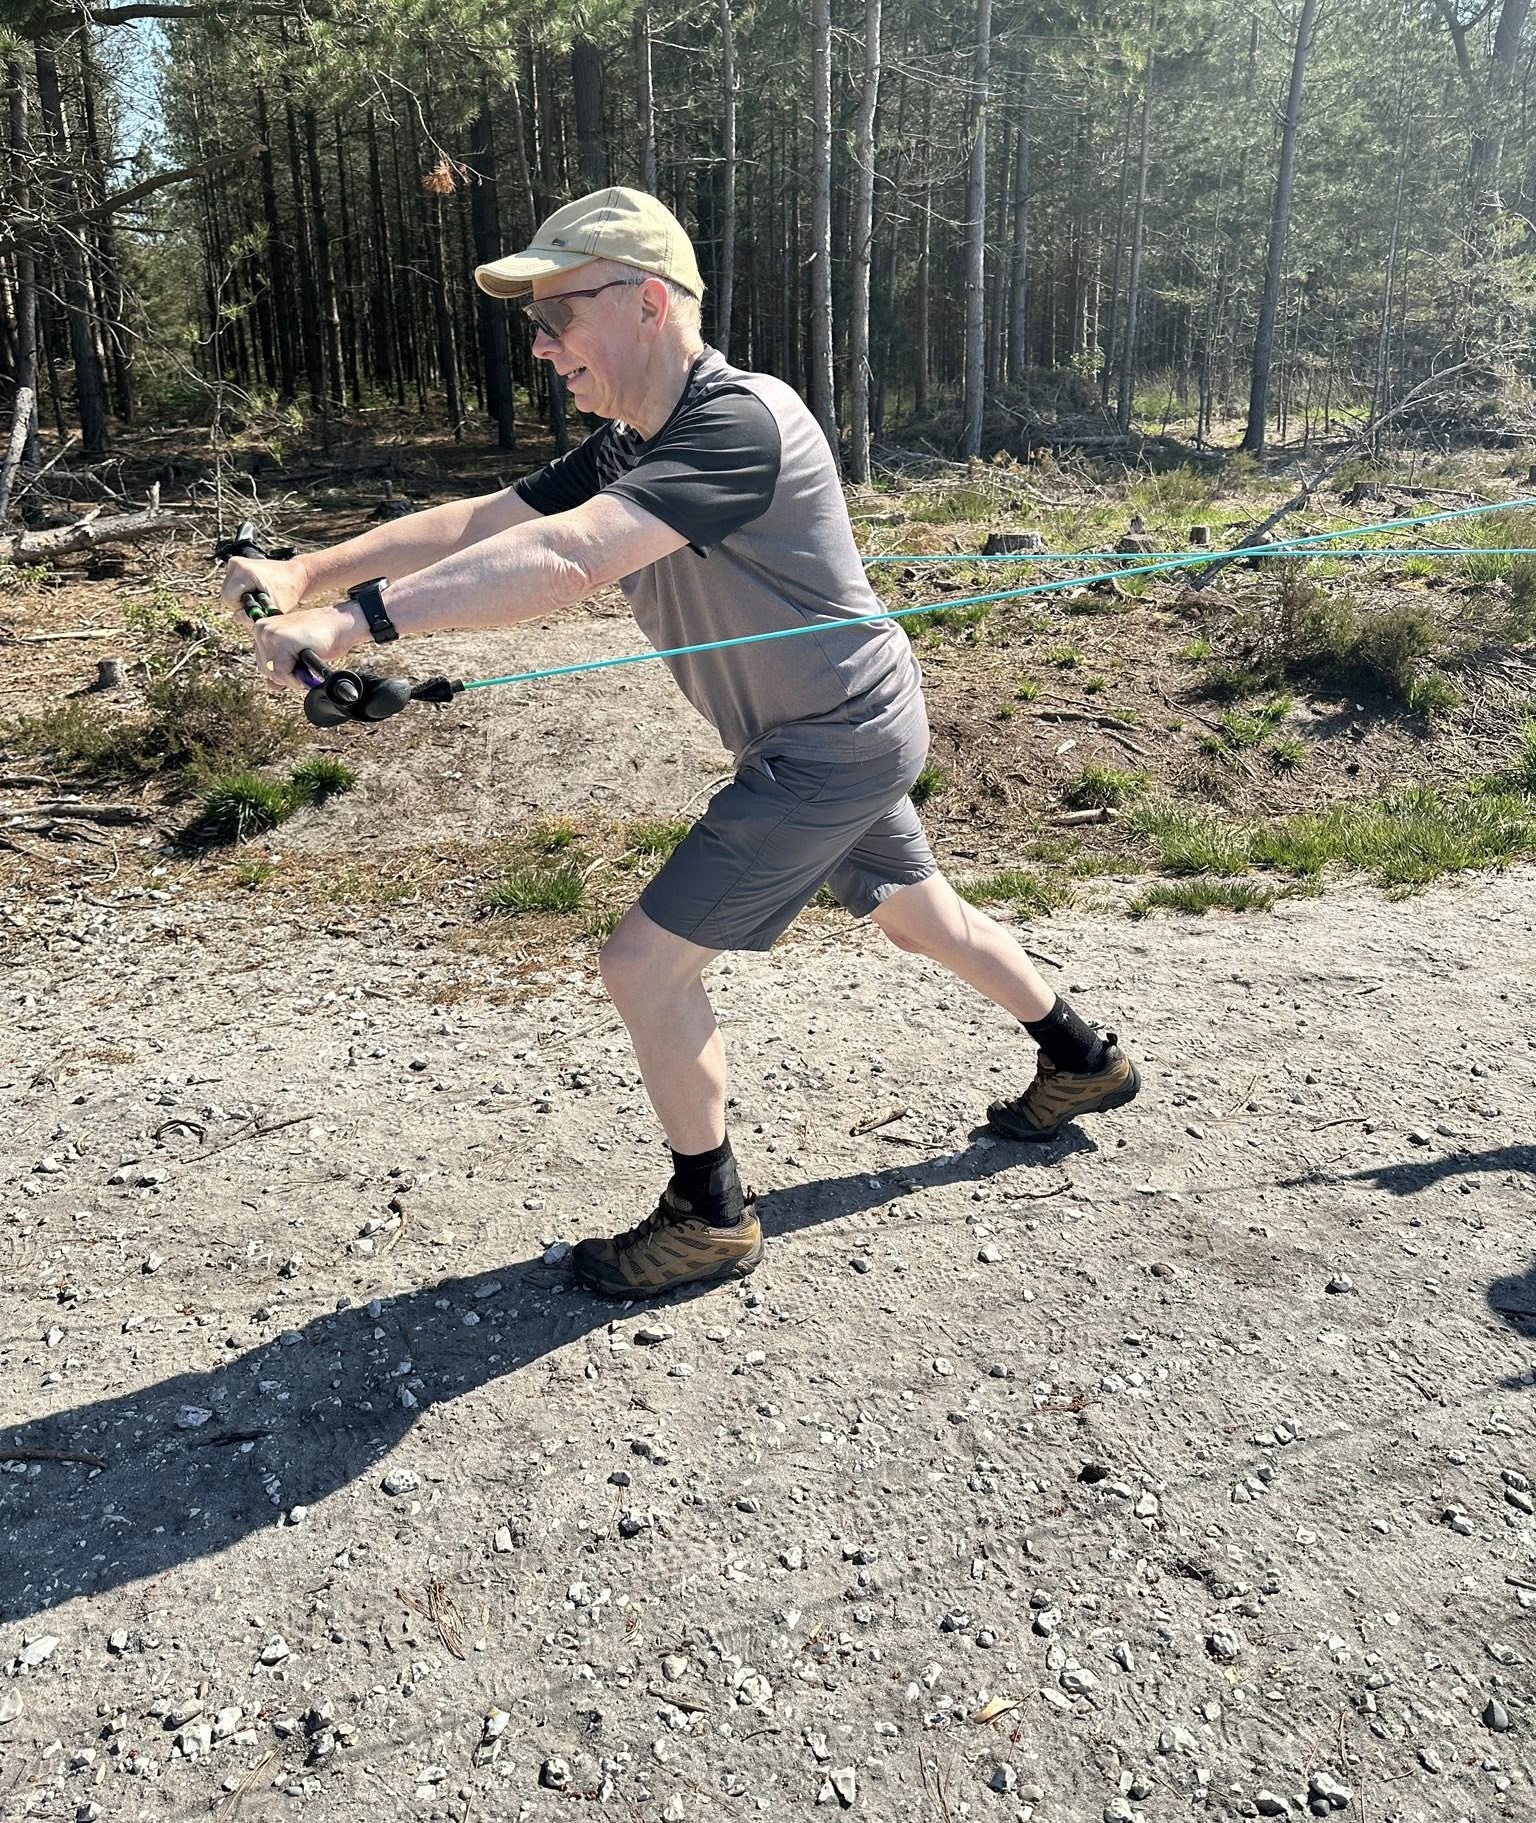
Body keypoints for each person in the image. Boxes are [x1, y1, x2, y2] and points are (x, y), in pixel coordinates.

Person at [221, 187, 1141, 1300]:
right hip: (837, 729)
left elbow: (571, 559)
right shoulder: (635, 439)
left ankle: (708, 1213)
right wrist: (309, 573)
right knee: (922, 918)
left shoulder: (738, 423)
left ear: (648, 301)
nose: (545, 345)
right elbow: (486, 522)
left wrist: (356, 620)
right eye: (534, 323)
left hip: (830, 743)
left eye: (559, 314)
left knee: (644, 965)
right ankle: (1083, 1058)